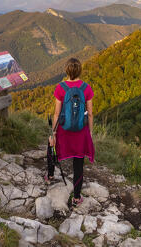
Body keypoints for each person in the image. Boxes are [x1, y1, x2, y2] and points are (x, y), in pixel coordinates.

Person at [46, 57, 95, 206]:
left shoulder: (61, 88)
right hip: (80, 131)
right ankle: (76, 197)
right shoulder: (86, 88)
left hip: (64, 130)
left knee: (51, 145)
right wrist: (90, 133)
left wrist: (53, 134)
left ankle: (50, 175)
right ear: (80, 70)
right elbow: (90, 113)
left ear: (66, 71)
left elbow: (56, 113)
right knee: (78, 162)